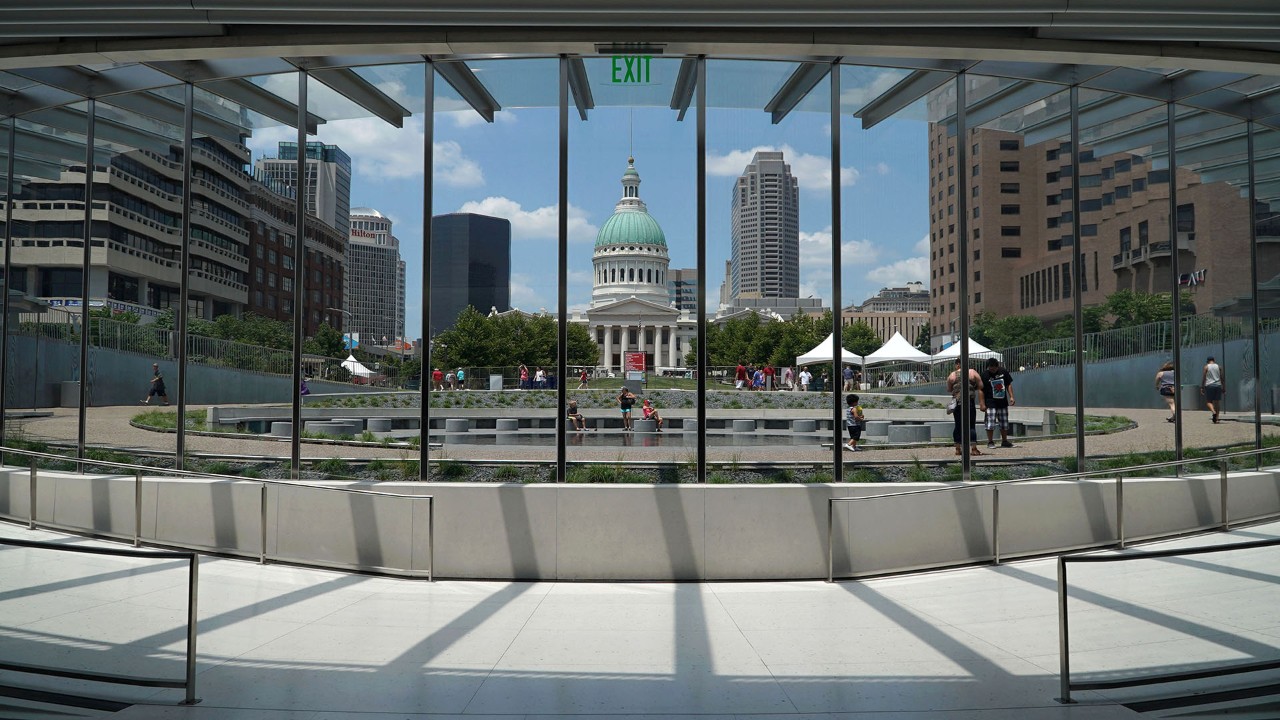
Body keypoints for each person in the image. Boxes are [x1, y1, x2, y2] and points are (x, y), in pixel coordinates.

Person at [947, 358, 986, 456]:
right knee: (971, 425)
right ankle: (973, 448)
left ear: (957, 365)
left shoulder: (952, 375)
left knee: (958, 425)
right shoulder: (972, 372)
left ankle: (957, 448)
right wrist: (972, 387)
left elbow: (949, 389)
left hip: (957, 402)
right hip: (969, 402)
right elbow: (981, 385)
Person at [981, 357, 1016, 449]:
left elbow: (1008, 384)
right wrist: (982, 403)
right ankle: (990, 441)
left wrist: (1011, 396)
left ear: (997, 366)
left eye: (994, 367)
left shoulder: (1003, 372)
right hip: (990, 402)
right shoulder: (984, 375)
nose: (992, 368)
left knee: (1004, 422)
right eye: (990, 367)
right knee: (990, 422)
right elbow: (981, 390)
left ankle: (1004, 441)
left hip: (1002, 402)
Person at [1202, 356, 1224, 423]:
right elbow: (1222, 377)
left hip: (1209, 385)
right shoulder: (1219, 367)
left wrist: (1202, 386)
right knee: (1217, 402)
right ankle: (1217, 418)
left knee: (1209, 402)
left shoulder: (1206, 367)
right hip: (1218, 385)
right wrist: (1224, 387)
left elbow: (1204, 377)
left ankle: (1213, 412)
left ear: (1208, 361)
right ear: (1214, 360)